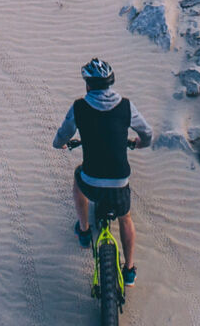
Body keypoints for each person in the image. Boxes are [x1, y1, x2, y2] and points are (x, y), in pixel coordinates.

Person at [52, 58, 152, 286]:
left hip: (91, 182)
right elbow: (147, 133)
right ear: (110, 83)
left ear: (88, 84)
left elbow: (61, 136)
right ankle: (128, 271)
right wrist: (139, 143)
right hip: (119, 184)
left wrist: (61, 144)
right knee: (126, 218)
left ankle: (85, 232)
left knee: (79, 182)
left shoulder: (79, 107)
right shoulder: (126, 105)